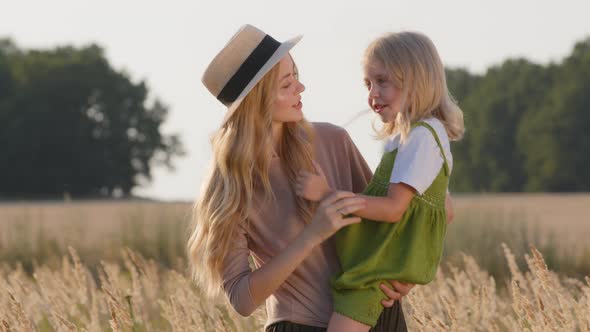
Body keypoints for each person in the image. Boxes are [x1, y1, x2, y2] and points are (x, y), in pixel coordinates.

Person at [187, 24, 414, 332]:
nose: (300, 88)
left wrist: (405, 279)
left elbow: (393, 223)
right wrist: (311, 236)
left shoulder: (333, 141)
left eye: (295, 76)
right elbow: (241, 300)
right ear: (257, 100)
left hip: (379, 318)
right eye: (286, 84)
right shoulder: (229, 188)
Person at [296, 31, 465, 331]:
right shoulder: (419, 136)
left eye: (382, 81)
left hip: (373, 273)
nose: (372, 93)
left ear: (417, 78)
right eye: (368, 84)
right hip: (382, 268)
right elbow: (446, 210)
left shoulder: (420, 137)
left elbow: (393, 209)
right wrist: (409, 263)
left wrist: (326, 194)